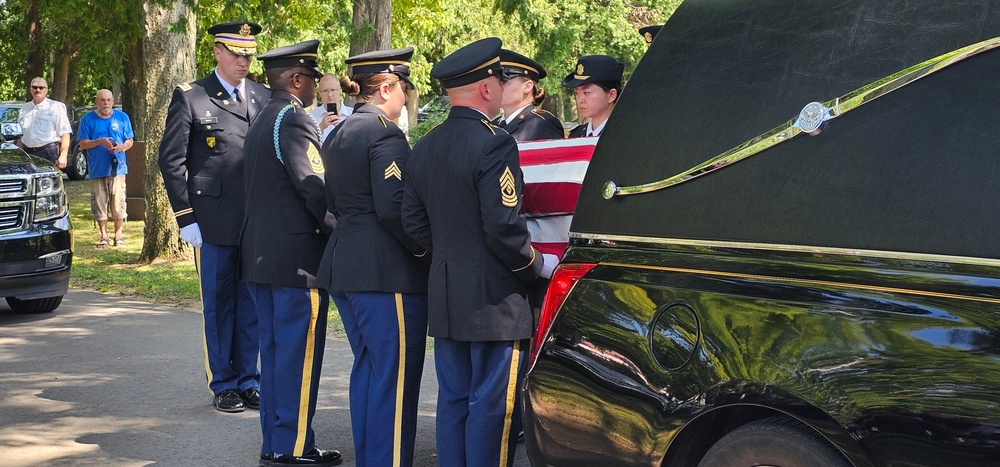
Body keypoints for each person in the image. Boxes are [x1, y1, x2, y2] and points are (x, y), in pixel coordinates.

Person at [402, 37, 545, 467]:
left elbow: (412, 224)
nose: (504, 89)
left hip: (446, 294)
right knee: (490, 408)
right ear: (486, 88)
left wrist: (448, 258)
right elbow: (503, 227)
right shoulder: (494, 143)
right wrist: (535, 265)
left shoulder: (425, 146)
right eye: (501, 81)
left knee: (454, 401)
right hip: (495, 302)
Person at [316, 47, 429, 467]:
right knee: (393, 378)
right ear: (385, 88)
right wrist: (423, 249)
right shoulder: (384, 133)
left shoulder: (340, 131)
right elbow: (393, 208)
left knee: (369, 371)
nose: (406, 98)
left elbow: (333, 202)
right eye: (404, 90)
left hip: (346, 263)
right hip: (385, 271)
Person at [158, 21, 270, 414]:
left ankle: (248, 379)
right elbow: (171, 161)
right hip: (213, 221)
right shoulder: (192, 96)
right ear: (218, 52)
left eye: (249, 54)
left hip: (255, 220)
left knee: (251, 303)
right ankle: (222, 382)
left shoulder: (262, 95)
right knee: (219, 304)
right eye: (237, 54)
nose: (244, 61)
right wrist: (186, 216)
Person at [241, 39, 342, 467]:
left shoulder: (264, 116)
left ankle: (275, 443)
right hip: (297, 261)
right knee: (298, 359)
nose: (315, 88)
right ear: (296, 79)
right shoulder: (294, 119)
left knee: (277, 354)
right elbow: (314, 187)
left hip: (263, 258)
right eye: (313, 81)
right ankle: (295, 446)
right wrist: (341, 232)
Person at [76, 89, 134, 248]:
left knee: (118, 202)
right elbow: (82, 143)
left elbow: (130, 140)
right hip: (97, 168)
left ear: (113, 100)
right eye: (102, 100)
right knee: (99, 202)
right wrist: (100, 142)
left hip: (118, 168)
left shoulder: (122, 117)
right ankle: (103, 237)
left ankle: (119, 236)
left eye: (108, 100)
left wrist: (121, 147)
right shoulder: (88, 119)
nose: (106, 103)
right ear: (96, 102)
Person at [497, 49, 564, 141]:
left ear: (527, 86)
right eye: (496, 83)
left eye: (504, 82)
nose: (497, 88)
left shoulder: (542, 124)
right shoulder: (492, 125)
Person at [562, 55, 624, 138]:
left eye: (586, 92)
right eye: (576, 93)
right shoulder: (576, 136)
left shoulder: (625, 136)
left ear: (611, 95)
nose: (580, 100)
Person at [17, 77, 71, 168]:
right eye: (34, 87)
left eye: (41, 88)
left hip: (48, 152)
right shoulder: (24, 108)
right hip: (27, 153)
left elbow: (65, 133)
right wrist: (19, 152)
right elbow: (21, 135)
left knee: (48, 181)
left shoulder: (56, 107)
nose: (37, 90)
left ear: (46, 90)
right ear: (30, 90)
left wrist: (63, 155)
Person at [309, 73, 353, 143]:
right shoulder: (311, 117)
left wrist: (343, 130)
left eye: (333, 90)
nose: (329, 95)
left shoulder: (352, 115)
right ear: (319, 92)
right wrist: (321, 127)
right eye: (325, 91)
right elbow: (307, 144)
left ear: (340, 90)